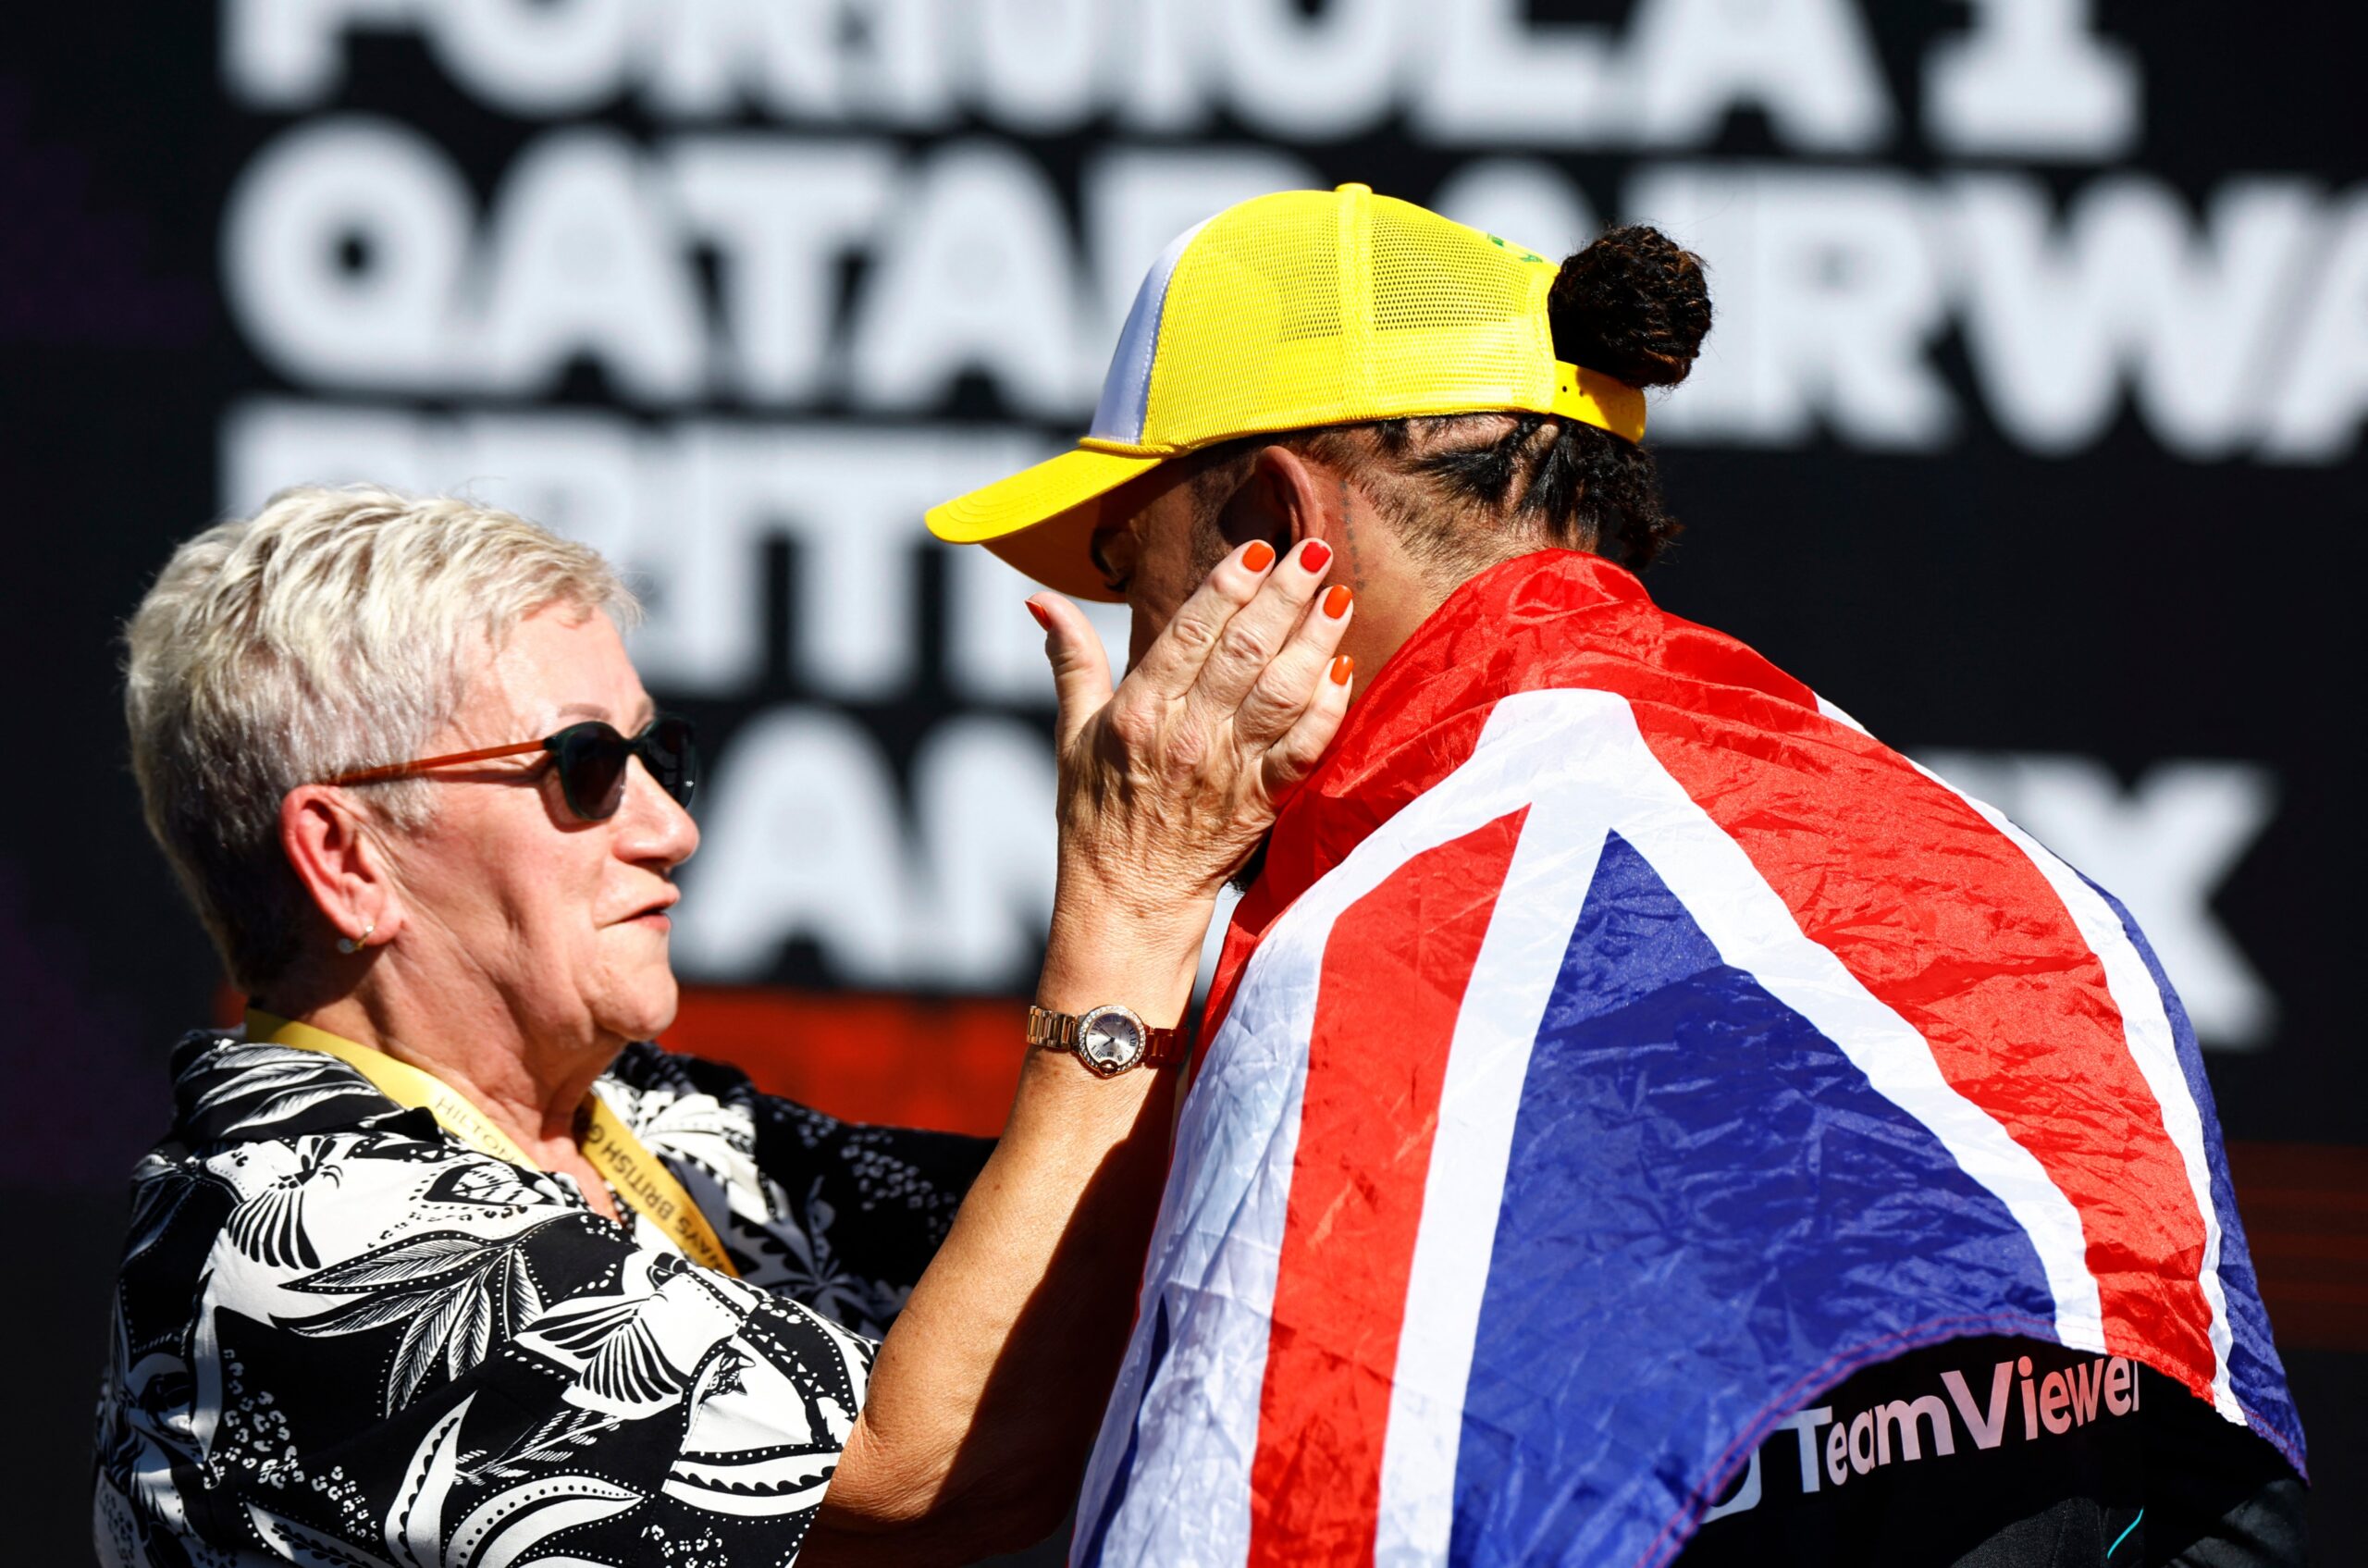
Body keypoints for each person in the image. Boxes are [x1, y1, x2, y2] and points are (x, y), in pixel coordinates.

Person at [928, 185, 2309, 1565]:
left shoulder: (1392, 956)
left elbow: (1254, 1521)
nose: (1134, 624)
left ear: (1277, 535)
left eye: (1128, 555)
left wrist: (1126, 915)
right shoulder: (2038, 899)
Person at [95, 483, 1352, 1566]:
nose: (672, 828)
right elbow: (925, 1470)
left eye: (662, 758)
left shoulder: (655, 1122)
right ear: (346, 854)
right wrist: (1134, 899)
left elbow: (1130, 1240)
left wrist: (1290, 826)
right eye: (586, 768)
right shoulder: (291, 1231)